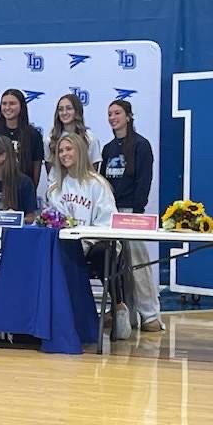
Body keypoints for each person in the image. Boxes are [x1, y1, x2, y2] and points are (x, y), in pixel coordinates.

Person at [47, 133, 132, 340]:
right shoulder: (56, 188)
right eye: (60, 151)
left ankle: (119, 307)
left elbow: (108, 221)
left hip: (97, 241)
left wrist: (86, 239)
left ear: (80, 151)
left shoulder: (97, 184)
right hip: (70, 244)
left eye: (68, 149)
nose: (64, 154)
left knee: (103, 253)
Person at [101, 99, 163, 333]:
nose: (113, 117)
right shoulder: (108, 149)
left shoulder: (141, 145)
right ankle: (126, 313)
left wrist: (136, 212)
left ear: (128, 116)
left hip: (131, 214)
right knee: (117, 265)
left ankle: (150, 315)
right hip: (111, 214)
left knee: (139, 263)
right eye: (109, 114)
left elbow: (143, 181)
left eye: (117, 113)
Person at [0, 89, 44, 187]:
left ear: (21, 106)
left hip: (22, 189)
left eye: (12, 103)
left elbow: (36, 166)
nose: (7, 107)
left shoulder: (33, 135)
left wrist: (31, 190)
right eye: (4, 103)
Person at [44, 94, 101, 182]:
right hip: (57, 190)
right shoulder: (50, 139)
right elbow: (49, 168)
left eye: (69, 108)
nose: (64, 113)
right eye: (60, 109)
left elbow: (94, 169)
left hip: (83, 191)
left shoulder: (90, 138)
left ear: (77, 111)